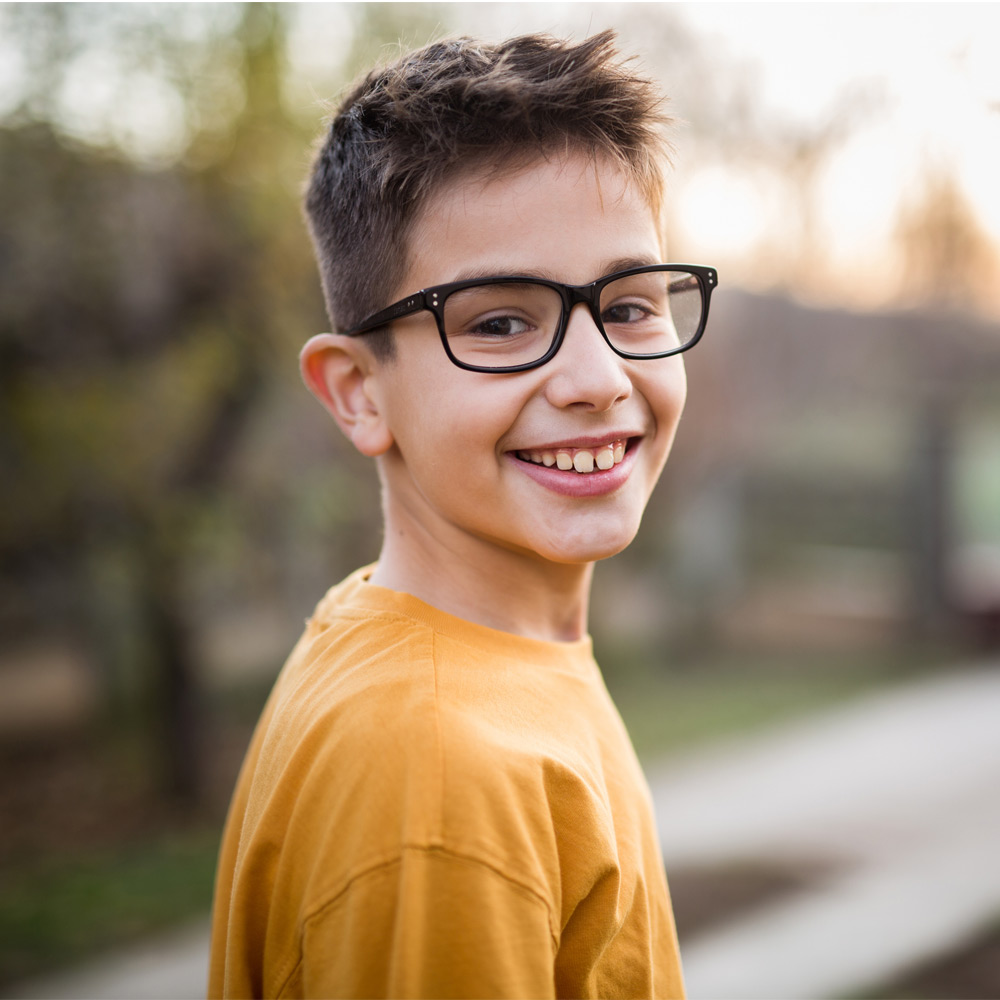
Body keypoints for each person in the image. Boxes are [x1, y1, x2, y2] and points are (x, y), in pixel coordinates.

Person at [208, 29, 716, 999]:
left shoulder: (466, 655)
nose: (596, 379)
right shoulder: (438, 774)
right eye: (498, 320)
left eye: (630, 305)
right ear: (357, 391)